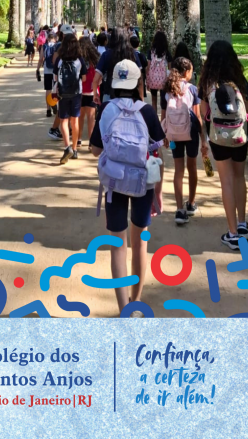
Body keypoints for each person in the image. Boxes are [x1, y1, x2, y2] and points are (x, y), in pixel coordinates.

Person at [90, 60, 166, 317]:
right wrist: (159, 191)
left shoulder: (106, 110)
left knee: (117, 245)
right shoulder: (147, 112)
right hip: (144, 183)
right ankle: (136, 302)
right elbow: (158, 153)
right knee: (140, 243)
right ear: (138, 84)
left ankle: (124, 309)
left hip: (114, 182)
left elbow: (95, 149)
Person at [198, 40, 248, 250]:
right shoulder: (239, 81)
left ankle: (232, 234)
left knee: (226, 182)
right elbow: (247, 110)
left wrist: (206, 138)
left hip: (218, 137)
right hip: (240, 136)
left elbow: (204, 113)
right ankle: (242, 224)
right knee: (239, 177)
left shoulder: (207, 83)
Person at [164, 57, 207, 225]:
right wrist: (203, 139)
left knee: (178, 170)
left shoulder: (168, 89)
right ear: (187, 72)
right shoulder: (192, 90)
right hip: (191, 134)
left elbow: (164, 115)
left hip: (174, 135)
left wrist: (165, 135)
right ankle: (191, 203)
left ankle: (179, 210)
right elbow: (197, 116)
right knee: (192, 168)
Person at [52, 33, 88, 163]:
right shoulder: (79, 60)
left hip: (63, 93)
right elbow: (84, 78)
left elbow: (55, 77)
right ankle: (75, 149)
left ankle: (67, 147)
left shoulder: (60, 59)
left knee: (63, 121)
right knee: (75, 121)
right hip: (76, 93)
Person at [92, 28, 144, 104]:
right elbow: (140, 78)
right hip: (131, 96)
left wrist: (95, 94)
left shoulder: (106, 55)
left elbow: (95, 79)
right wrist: (141, 97)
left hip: (109, 94)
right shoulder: (133, 54)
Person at [79, 36, 100, 147]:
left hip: (80, 90)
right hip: (92, 91)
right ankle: (91, 142)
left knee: (80, 116)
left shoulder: (78, 58)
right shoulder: (95, 59)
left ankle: (79, 139)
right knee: (91, 118)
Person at [147, 31, 170, 114]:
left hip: (153, 79)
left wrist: (147, 78)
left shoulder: (151, 52)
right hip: (163, 79)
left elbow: (148, 66)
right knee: (163, 101)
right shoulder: (166, 52)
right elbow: (170, 67)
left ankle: (154, 117)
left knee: (154, 100)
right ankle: (163, 118)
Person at [37, 30, 59, 118]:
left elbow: (41, 59)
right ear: (55, 38)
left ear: (47, 38)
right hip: (55, 71)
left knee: (48, 90)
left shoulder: (44, 46)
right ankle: (54, 104)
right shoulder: (57, 46)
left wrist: (38, 69)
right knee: (55, 89)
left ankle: (48, 109)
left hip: (47, 70)